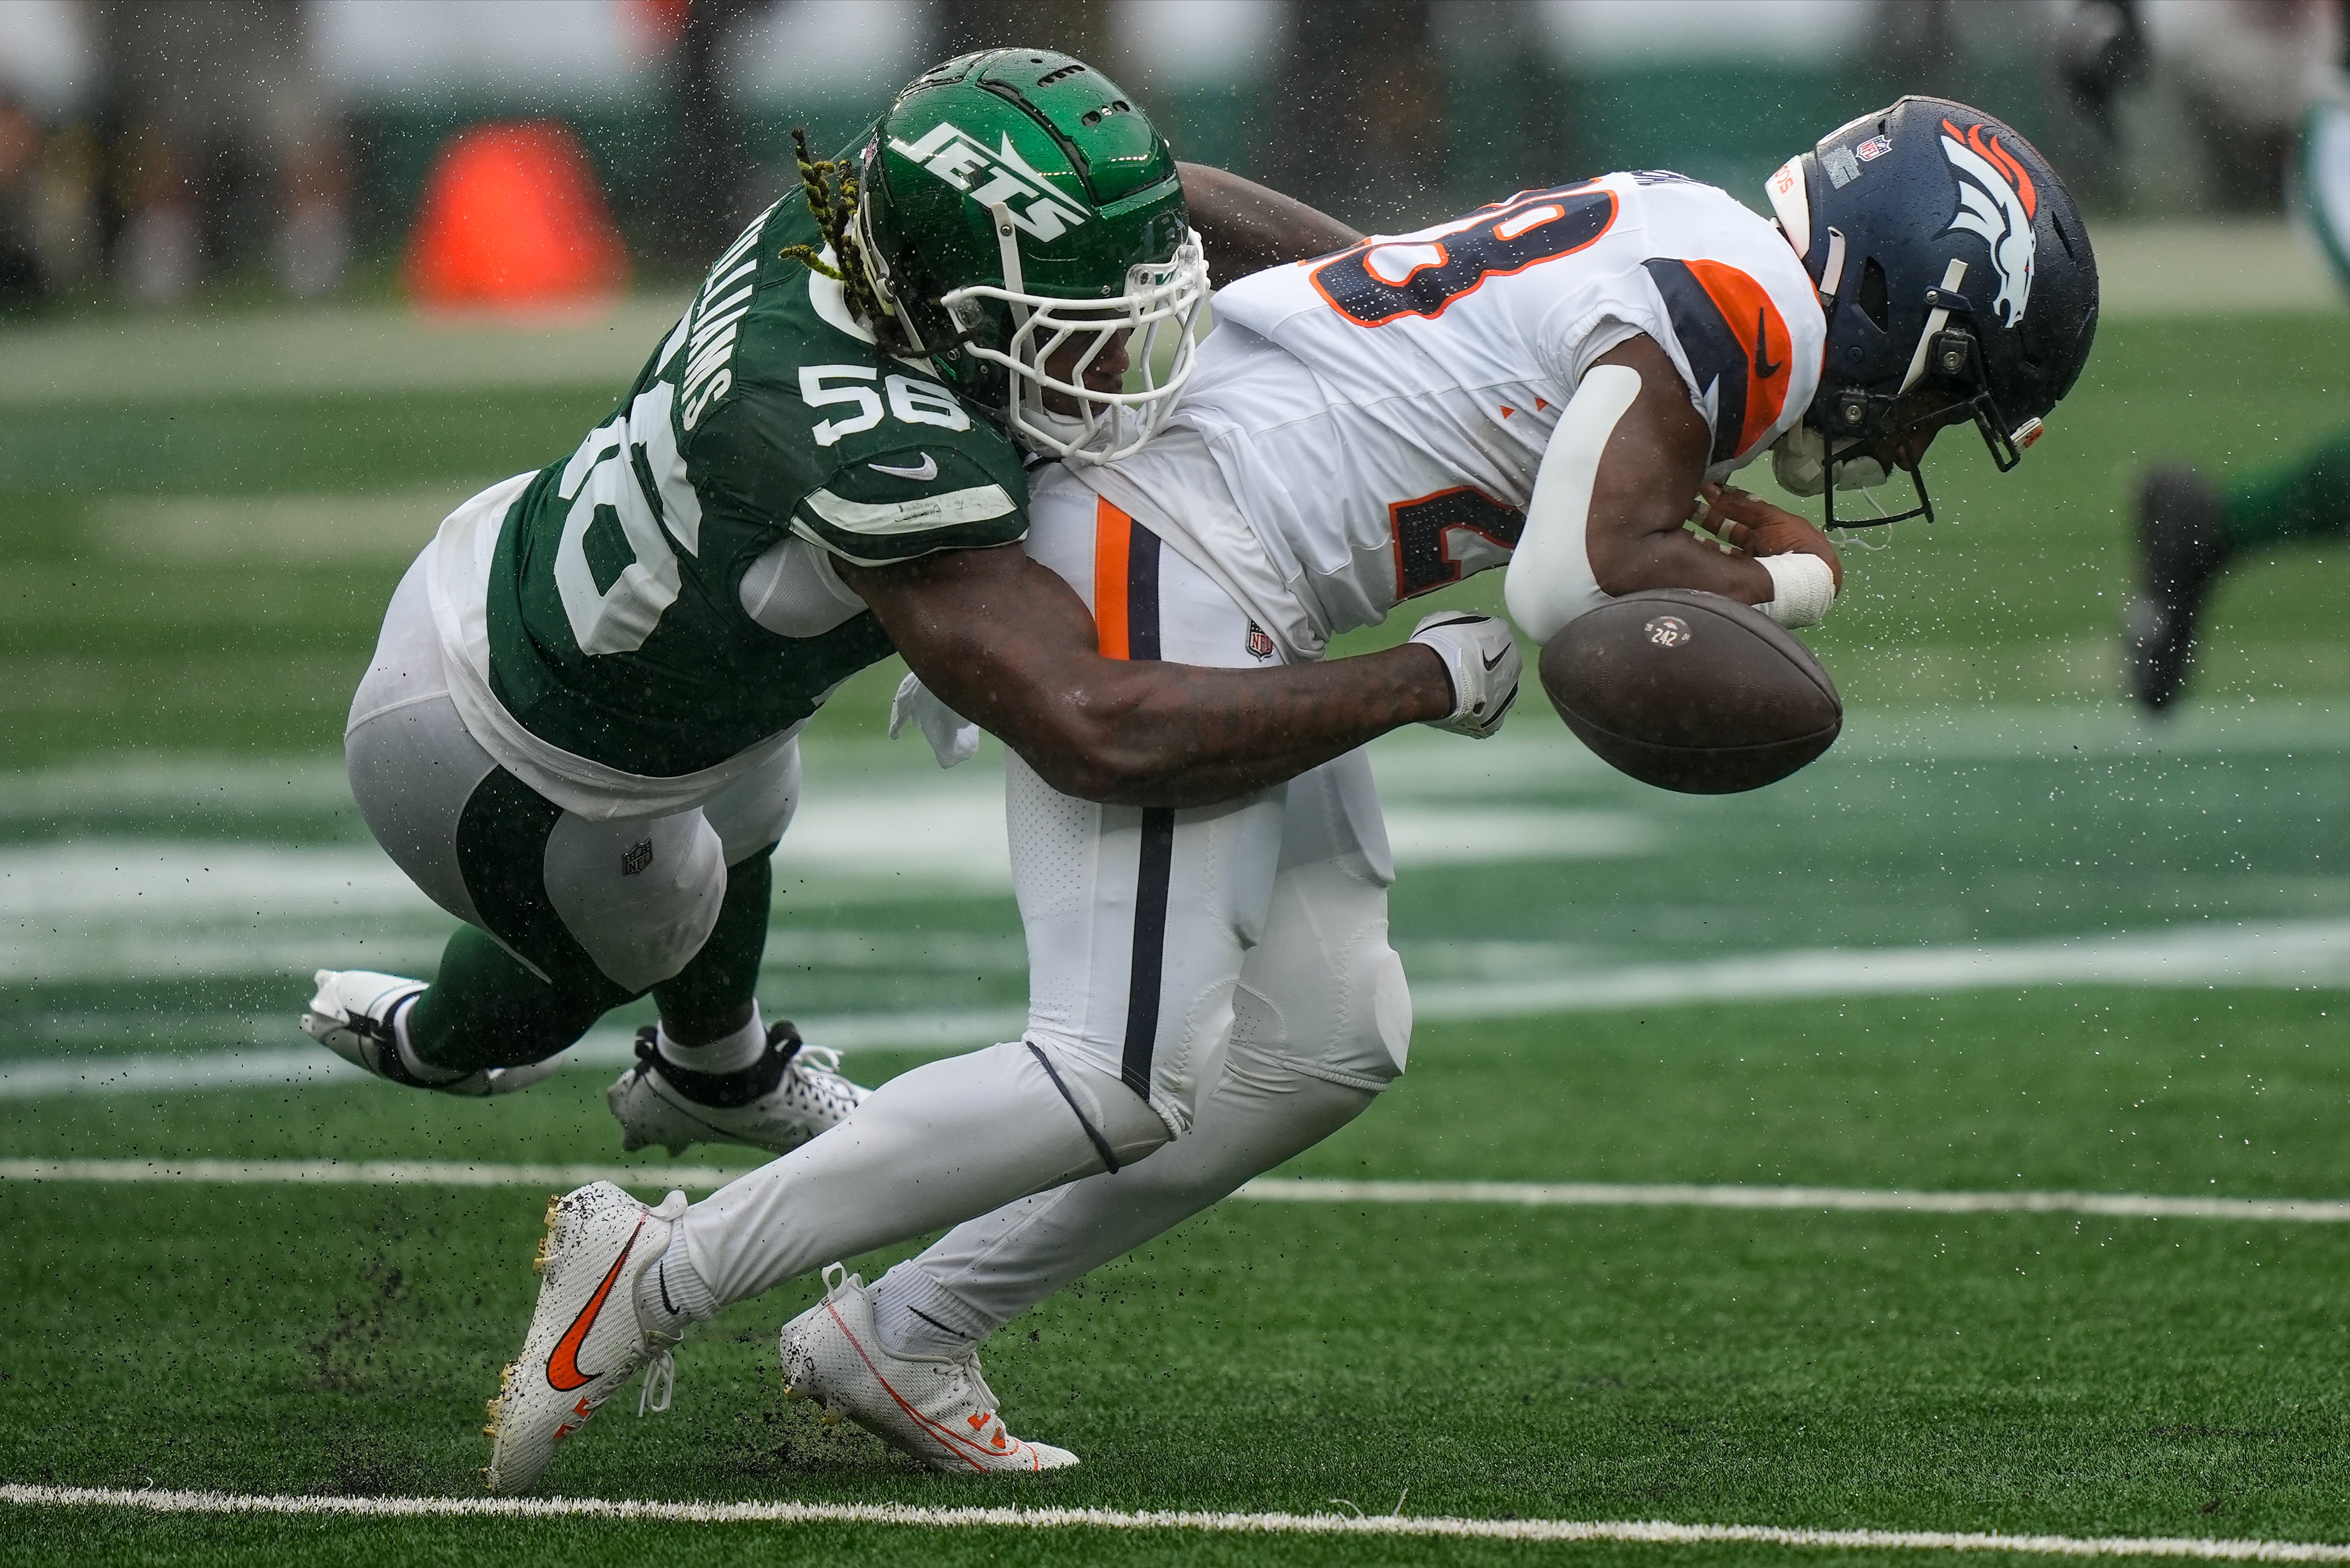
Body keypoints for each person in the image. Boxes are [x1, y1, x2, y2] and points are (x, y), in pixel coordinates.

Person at [508, 96, 2102, 1482]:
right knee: (1111, 1065)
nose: (1909, 440)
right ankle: (653, 1271)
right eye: (1944, 400)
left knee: (1328, 1037)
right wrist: (1788, 589)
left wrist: (1703, 516)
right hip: (1178, 535)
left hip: (1233, 546)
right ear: (1917, 310)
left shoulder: (1692, 228)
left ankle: (902, 1330)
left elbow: (1479, 385)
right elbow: (1571, 584)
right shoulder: (1758, 314)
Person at [287, 48, 1514, 1493]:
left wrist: (1421, 303)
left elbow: (1157, 195)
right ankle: (450, 1038)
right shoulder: (858, 422)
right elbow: (1090, 722)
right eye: (1066, 325)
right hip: (518, 768)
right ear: (950, 299)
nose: (1115, 354)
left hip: (573, 609)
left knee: (750, 799)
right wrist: (1421, 676)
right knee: (635, 929)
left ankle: (725, 1077)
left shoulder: (884, 207)